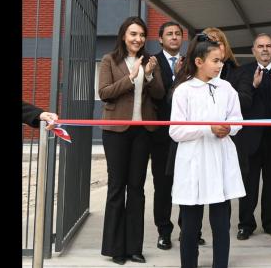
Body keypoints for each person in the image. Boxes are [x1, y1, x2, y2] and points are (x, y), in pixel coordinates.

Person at [169, 33, 245, 268]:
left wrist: (229, 128)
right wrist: (207, 128)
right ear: (199, 62)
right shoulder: (184, 91)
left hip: (220, 159)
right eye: (215, 60)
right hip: (193, 161)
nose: (220, 65)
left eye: (221, 60)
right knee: (190, 224)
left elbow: (238, 121)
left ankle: (220, 264)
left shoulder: (227, 88)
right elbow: (176, 131)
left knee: (221, 222)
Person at [97, 17, 165, 265]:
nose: (138, 39)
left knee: (136, 189)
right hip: (116, 131)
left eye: (142, 35)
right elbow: (104, 93)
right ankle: (116, 248)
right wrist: (131, 76)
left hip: (142, 130)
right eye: (133, 34)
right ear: (124, 36)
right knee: (117, 187)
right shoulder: (109, 60)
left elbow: (159, 93)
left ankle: (134, 247)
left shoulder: (151, 62)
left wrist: (147, 76)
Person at [234, 33, 271, 240]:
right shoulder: (241, 73)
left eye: (269, 46)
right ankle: (246, 224)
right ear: (253, 50)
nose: (265, 50)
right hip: (250, 139)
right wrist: (253, 87)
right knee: (249, 184)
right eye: (260, 46)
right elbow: (235, 103)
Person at [150, 21, 185, 250]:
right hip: (161, 135)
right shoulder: (152, 61)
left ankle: (189, 230)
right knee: (163, 186)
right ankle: (164, 231)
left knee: (187, 184)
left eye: (177, 34)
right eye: (169, 34)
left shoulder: (192, 62)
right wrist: (176, 77)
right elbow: (158, 96)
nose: (174, 37)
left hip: (186, 135)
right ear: (160, 39)